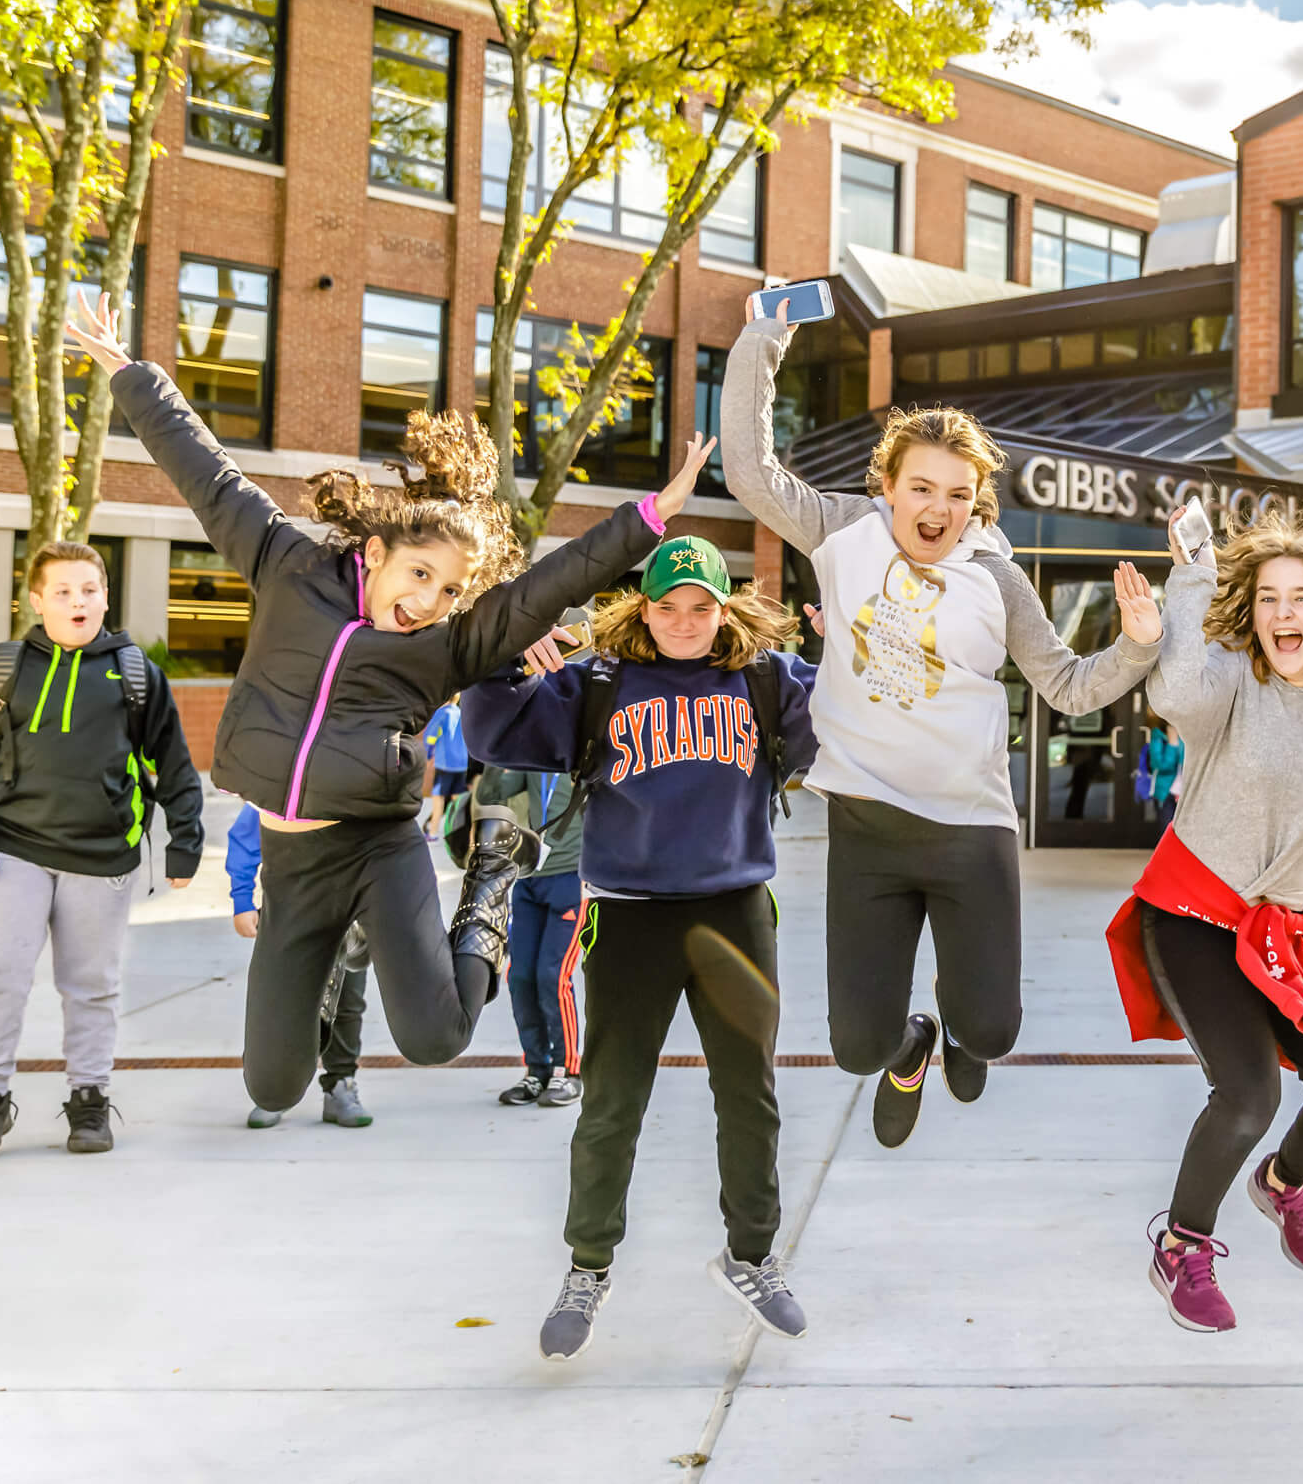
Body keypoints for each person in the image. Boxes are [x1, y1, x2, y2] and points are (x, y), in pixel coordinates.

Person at [62, 294, 712, 1119]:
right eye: (418, 576)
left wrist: (648, 517)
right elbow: (208, 473)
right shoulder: (285, 565)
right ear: (375, 554)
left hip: (377, 843)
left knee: (436, 1034)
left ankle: (490, 886)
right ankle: (337, 961)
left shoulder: (445, 646)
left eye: (447, 590)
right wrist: (129, 371)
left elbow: (553, 584)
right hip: (291, 863)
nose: (429, 599)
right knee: (272, 1082)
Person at [721, 292, 1160, 1150]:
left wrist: (1138, 647)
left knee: (994, 1031)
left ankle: (960, 1034)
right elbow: (747, 469)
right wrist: (766, 332)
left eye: (957, 493)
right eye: (920, 487)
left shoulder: (996, 577)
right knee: (856, 1045)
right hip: (866, 825)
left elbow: (1067, 685)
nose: (939, 507)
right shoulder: (840, 532)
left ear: (975, 500)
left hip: (970, 830)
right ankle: (913, 1046)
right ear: (886, 487)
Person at [461, 532, 817, 1359]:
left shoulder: (764, 678)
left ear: (723, 608)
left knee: (749, 1097)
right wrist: (503, 658)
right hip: (628, 913)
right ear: (643, 607)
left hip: (734, 912)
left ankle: (754, 1255)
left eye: (701, 606)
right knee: (612, 1101)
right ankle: (588, 1265)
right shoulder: (599, 682)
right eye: (668, 607)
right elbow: (490, 731)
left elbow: (843, 724)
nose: (684, 621)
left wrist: (848, 651)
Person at [1105, 486, 1303, 1334]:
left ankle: (1284, 1183)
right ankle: (1181, 1245)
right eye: (1269, 599)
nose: (1284, 614)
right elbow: (1176, 693)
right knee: (1245, 1095)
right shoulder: (1231, 679)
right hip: (1192, 913)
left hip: (1292, 924)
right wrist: (1190, 578)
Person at [0, 543, 203, 1158]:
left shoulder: (136, 673)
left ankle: (89, 1100)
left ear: (105, 596)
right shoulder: (4, 669)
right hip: (11, 851)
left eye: (88, 589)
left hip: (103, 854)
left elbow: (175, 766)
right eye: (62, 591)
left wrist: (184, 844)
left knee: (92, 986)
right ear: (36, 600)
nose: (77, 601)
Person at [226, 803, 374, 1128]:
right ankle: (275, 1088)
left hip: (351, 909)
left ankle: (340, 1084)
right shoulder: (291, 770)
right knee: (280, 999)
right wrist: (241, 897)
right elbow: (247, 832)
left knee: (348, 999)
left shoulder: (368, 775)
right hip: (291, 907)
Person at [475, 763, 584, 1107]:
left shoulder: (587, 755)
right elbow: (490, 795)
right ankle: (536, 1070)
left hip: (571, 877)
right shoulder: (535, 758)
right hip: (529, 876)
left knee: (553, 976)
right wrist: (493, 754)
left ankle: (568, 1071)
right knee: (520, 976)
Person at [419, 698, 469, 841]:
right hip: (462, 763)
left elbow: (431, 736)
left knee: (438, 797)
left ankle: (433, 832)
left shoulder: (442, 713)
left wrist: (428, 754)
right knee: (457, 798)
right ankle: (457, 832)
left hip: (445, 762)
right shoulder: (461, 713)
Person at [1137, 717, 1185, 827]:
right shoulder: (1158, 737)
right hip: (1165, 793)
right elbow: (1161, 766)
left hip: (1185, 792)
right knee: (1167, 831)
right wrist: (1172, 745)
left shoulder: (1186, 737)